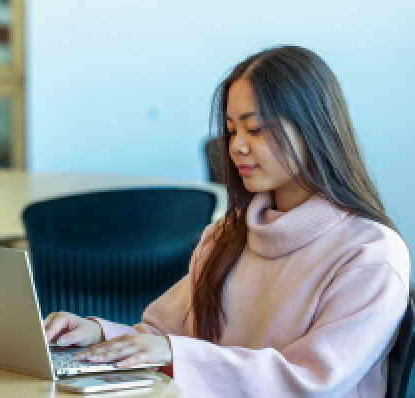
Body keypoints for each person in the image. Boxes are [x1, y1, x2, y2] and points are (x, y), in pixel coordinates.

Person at [44, 45, 410, 397]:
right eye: (232, 130)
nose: (235, 146)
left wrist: (174, 353)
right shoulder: (227, 235)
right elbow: (161, 334)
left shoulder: (370, 253)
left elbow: (309, 380)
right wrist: (96, 334)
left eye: (255, 129)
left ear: (313, 129)